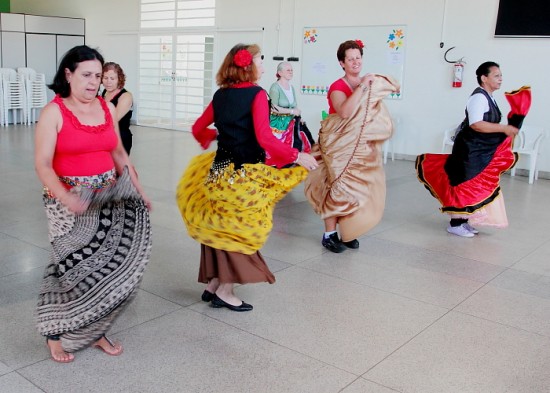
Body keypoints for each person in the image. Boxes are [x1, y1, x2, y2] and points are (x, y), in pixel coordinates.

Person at [176, 44, 317, 312]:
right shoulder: (257, 94)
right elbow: (264, 137)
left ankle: (214, 281)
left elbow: (197, 128)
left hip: (219, 169)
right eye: (260, 61)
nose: (263, 66)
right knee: (241, 228)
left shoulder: (220, 95)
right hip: (244, 170)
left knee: (219, 223)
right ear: (247, 65)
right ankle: (226, 291)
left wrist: (215, 137)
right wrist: (296, 155)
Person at [34, 45, 152, 363]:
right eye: (86, 75)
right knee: (70, 269)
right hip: (66, 200)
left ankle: (94, 330)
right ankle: (54, 334)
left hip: (105, 196)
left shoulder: (105, 107)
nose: (93, 82)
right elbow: (43, 164)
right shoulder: (54, 113)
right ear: (68, 74)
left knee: (103, 268)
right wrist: (67, 197)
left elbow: (118, 152)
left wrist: (137, 188)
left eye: (98, 76)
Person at [304, 39, 399, 253]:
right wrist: (363, 86)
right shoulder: (338, 87)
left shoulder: (367, 84)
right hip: (337, 146)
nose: (355, 62)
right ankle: (329, 235)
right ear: (342, 63)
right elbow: (345, 112)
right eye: (350, 59)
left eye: (358, 58)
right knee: (337, 188)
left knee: (356, 190)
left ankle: (347, 231)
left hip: (359, 147)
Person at [415, 61, 519, 237]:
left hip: (479, 150)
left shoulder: (489, 97)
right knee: (464, 184)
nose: (501, 79)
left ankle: (464, 220)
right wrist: (503, 129)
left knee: (474, 184)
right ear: (484, 78)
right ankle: (455, 224)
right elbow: (477, 124)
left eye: (501, 75)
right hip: (470, 150)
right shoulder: (478, 97)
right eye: (496, 75)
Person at [268, 62, 315, 154]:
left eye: (291, 70)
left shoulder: (291, 88)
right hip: (278, 124)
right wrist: (292, 111)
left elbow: (294, 106)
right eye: (288, 70)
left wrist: (300, 117)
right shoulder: (275, 87)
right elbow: (273, 108)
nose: (291, 72)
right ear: (280, 73)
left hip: (290, 121)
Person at [101, 62, 133, 155]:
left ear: (119, 79)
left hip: (121, 139)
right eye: (105, 78)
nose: (108, 82)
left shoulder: (126, 96)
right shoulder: (105, 92)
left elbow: (112, 120)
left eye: (112, 78)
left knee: (119, 169)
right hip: (107, 137)